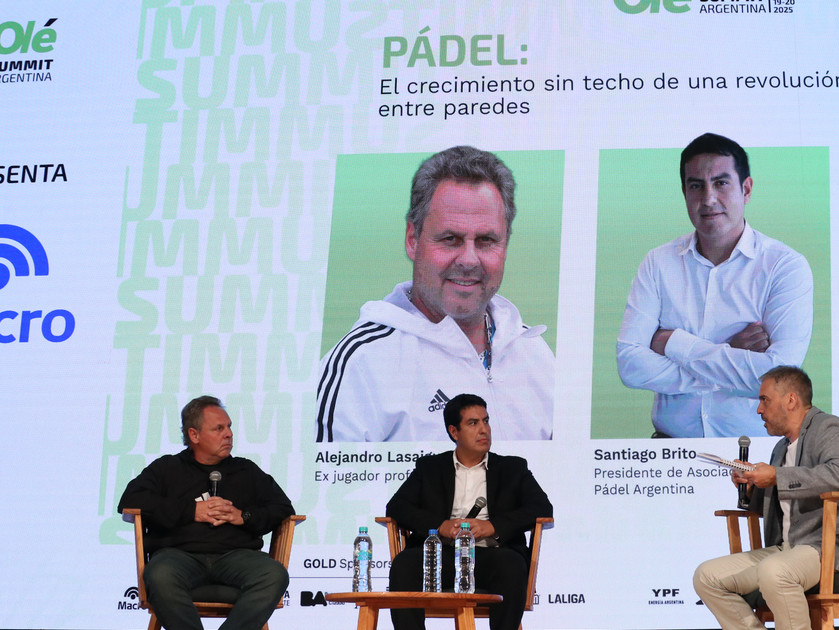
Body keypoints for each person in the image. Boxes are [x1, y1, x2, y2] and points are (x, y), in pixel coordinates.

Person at [316, 146, 554, 442]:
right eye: (450, 239)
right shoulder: (361, 365)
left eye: (486, 240)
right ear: (412, 239)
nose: (469, 260)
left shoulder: (535, 354)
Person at [616, 133, 813, 438]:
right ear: (684, 192)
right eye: (696, 186)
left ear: (746, 189)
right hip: (669, 451)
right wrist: (728, 351)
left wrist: (673, 343)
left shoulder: (785, 267)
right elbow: (630, 365)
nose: (708, 199)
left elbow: (779, 381)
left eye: (721, 183)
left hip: (759, 454)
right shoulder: (658, 263)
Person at [694, 366, 839, 630]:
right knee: (707, 577)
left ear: (791, 400)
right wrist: (752, 487)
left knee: (774, 570)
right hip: (786, 549)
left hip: (831, 550)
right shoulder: (781, 447)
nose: (758, 409)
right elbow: (782, 501)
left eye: (765, 400)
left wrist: (777, 476)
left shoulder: (829, 428)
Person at [118, 396, 295, 630]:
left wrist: (244, 516)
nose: (229, 434)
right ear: (194, 435)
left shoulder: (246, 471)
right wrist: (191, 511)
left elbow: (283, 509)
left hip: (237, 557)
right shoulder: (167, 468)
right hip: (179, 556)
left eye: (229, 427)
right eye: (219, 428)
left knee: (274, 574)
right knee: (160, 575)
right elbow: (130, 501)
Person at [386, 393, 553, 630]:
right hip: (441, 557)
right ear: (454, 432)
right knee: (404, 564)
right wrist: (440, 526)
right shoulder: (430, 468)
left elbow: (542, 508)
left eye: (486, 421)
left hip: (491, 556)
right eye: (473, 423)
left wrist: (493, 526)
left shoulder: (512, 468)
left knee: (512, 564)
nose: (484, 430)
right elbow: (397, 507)